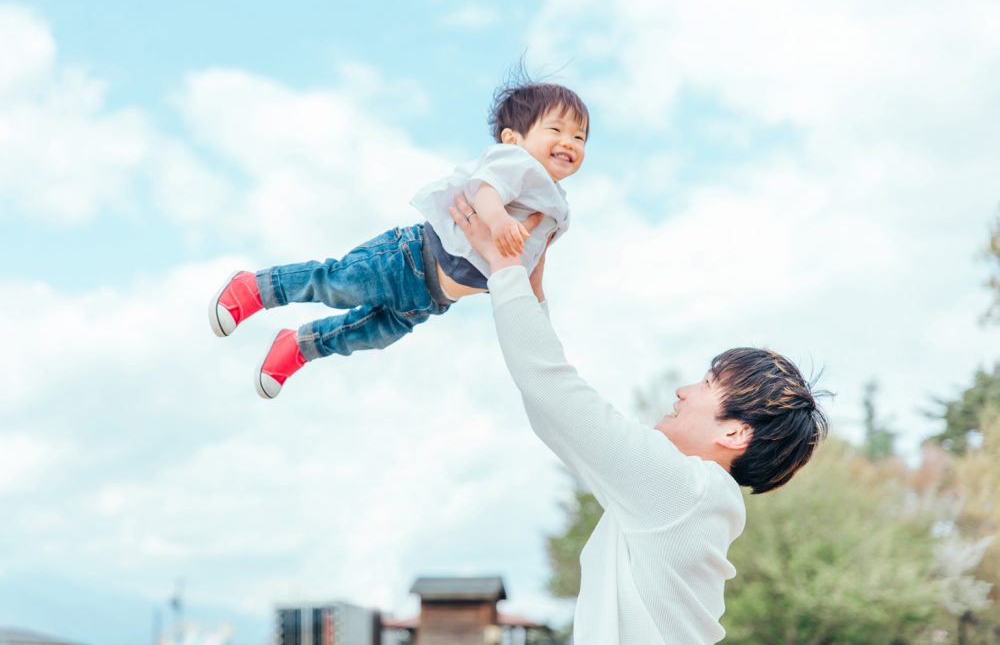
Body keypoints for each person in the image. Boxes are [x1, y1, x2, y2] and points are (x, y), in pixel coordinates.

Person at [447, 195, 830, 644]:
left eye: (707, 384)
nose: (682, 392)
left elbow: (554, 394)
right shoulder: (689, 501)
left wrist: (504, 267)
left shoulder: (687, 491)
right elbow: (553, 414)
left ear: (735, 431)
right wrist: (529, 295)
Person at [208, 81, 589, 398]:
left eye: (579, 136)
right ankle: (255, 288)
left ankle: (297, 346)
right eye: (556, 130)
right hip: (409, 258)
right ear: (513, 139)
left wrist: (539, 317)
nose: (569, 142)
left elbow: (533, 266)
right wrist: (500, 219)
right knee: (338, 284)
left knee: (366, 334)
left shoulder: (557, 208)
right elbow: (485, 189)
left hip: (434, 298)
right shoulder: (515, 163)